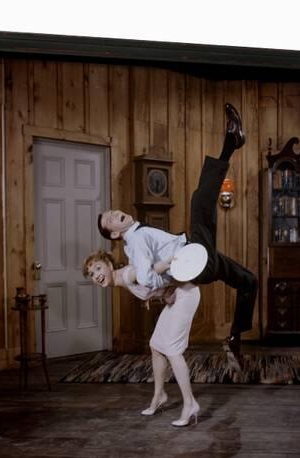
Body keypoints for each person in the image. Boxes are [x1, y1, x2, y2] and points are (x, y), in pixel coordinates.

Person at [97, 103, 257, 355]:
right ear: (115, 233)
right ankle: (231, 141)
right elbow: (147, 278)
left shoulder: (138, 235)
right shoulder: (135, 241)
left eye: (112, 212)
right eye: (111, 220)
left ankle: (235, 337)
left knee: (248, 281)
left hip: (199, 261)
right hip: (194, 261)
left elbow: (148, 280)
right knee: (199, 202)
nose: (116, 214)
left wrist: (164, 288)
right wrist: (169, 271)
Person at [82, 250, 201, 427]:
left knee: (172, 349)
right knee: (156, 345)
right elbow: (152, 283)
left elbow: (154, 270)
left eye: (99, 268)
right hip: (176, 295)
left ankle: (190, 404)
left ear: (109, 264)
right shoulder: (123, 280)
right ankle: (159, 396)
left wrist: (169, 262)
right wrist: (155, 294)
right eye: (92, 274)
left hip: (186, 294)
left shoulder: (128, 275)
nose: (97, 275)